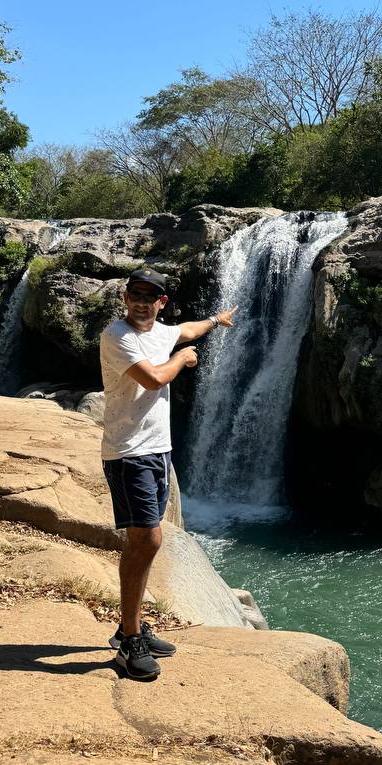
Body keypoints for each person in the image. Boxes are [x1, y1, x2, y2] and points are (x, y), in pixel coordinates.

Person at [99, 267, 237, 680]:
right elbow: (155, 377)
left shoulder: (161, 330)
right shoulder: (117, 336)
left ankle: (132, 625)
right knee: (147, 539)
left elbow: (187, 330)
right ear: (126, 298)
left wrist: (216, 321)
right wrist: (181, 360)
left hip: (159, 452)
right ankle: (128, 641)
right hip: (128, 454)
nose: (142, 302)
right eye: (135, 294)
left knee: (147, 541)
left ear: (161, 303)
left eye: (151, 296)